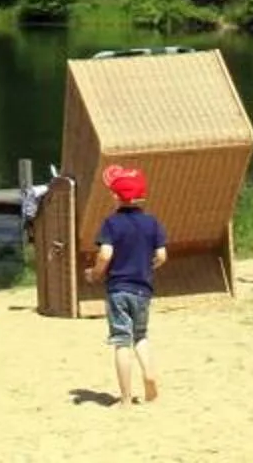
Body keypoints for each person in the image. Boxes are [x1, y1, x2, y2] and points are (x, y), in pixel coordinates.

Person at [90, 165, 167, 406]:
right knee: (141, 336)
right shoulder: (152, 223)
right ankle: (150, 375)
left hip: (118, 290)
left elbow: (105, 254)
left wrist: (94, 273)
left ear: (115, 197)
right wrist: (148, 267)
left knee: (121, 340)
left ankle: (124, 397)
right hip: (143, 289)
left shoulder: (111, 224)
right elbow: (162, 255)